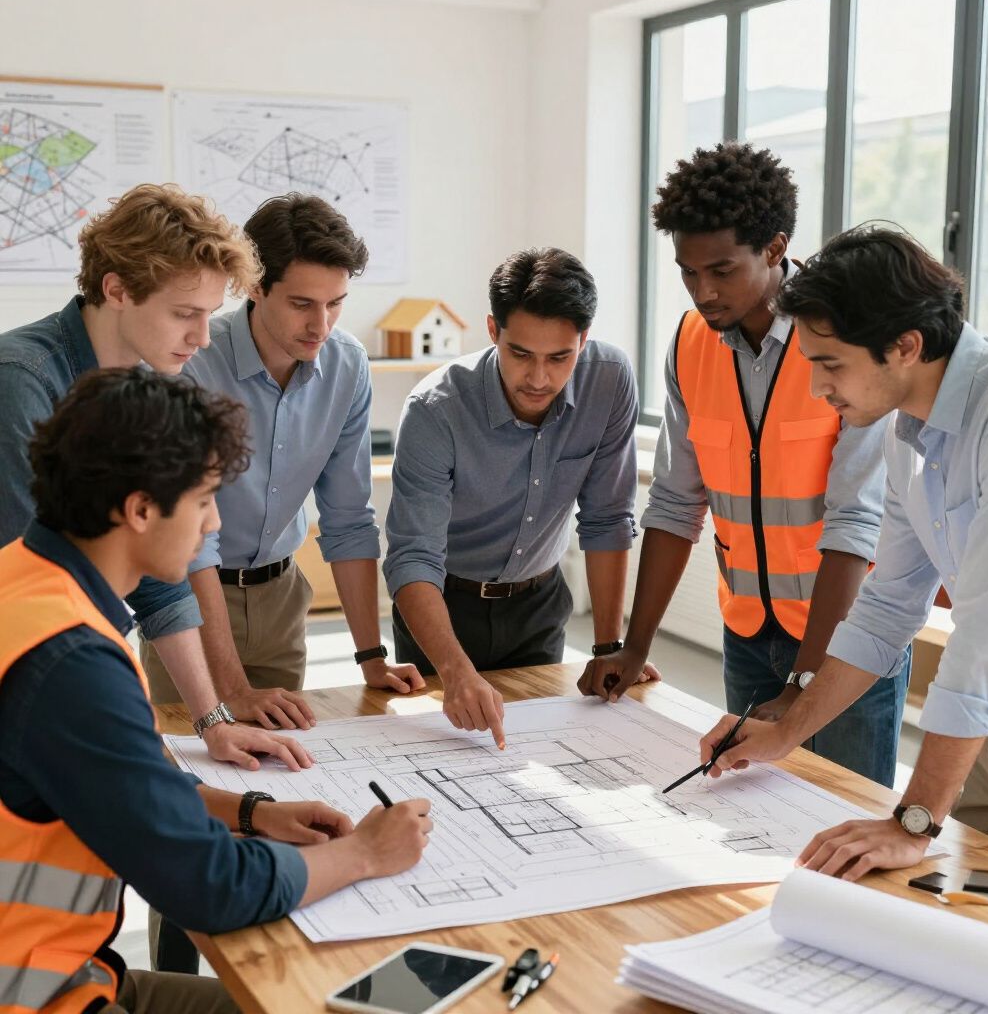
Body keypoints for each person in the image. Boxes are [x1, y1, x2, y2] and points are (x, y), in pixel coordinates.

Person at [0, 368, 432, 1014]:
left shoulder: (27, 580)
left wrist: (252, 812)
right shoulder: (71, 663)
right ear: (140, 510)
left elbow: (122, 780)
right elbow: (209, 887)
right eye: (203, 499)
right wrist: (364, 854)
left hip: (69, 971)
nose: (215, 523)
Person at [579, 143, 909, 787]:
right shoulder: (689, 342)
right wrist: (635, 643)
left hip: (844, 645)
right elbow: (676, 502)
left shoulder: (848, 343)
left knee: (845, 821)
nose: (704, 290)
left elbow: (855, 524)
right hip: (747, 634)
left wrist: (804, 686)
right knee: (752, 821)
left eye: (723, 269)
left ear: (775, 247)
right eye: (687, 271)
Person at [699, 224, 988, 877]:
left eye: (830, 364)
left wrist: (914, 818)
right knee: (956, 909)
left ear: (904, 346)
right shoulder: (906, 433)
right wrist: (785, 731)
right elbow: (886, 610)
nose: (819, 390)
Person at [0, 183, 312, 772]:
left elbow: (163, 570)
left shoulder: (152, 387)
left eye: (209, 316)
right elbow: (41, 583)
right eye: (184, 314)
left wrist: (213, 722)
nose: (200, 338)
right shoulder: (21, 380)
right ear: (117, 289)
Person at [140, 193, 424, 716]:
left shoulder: (348, 366)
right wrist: (231, 688)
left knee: (285, 766)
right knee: (193, 776)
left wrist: (371, 657)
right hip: (191, 597)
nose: (322, 325)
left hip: (283, 596)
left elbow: (348, 519)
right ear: (253, 286)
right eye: (301, 304)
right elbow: (193, 541)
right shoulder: (191, 363)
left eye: (335, 302)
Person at [384, 247, 641, 748]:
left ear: (583, 340)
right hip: (443, 606)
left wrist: (611, 647)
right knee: (441, 758)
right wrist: (455, 672)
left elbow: (608, 518)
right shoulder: (435, 410)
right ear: (492, 331)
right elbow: (412, 557)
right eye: (520, 354)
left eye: (560, 357)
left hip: (538, 605)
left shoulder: (609, 380)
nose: (539, 378)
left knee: (533, 752)